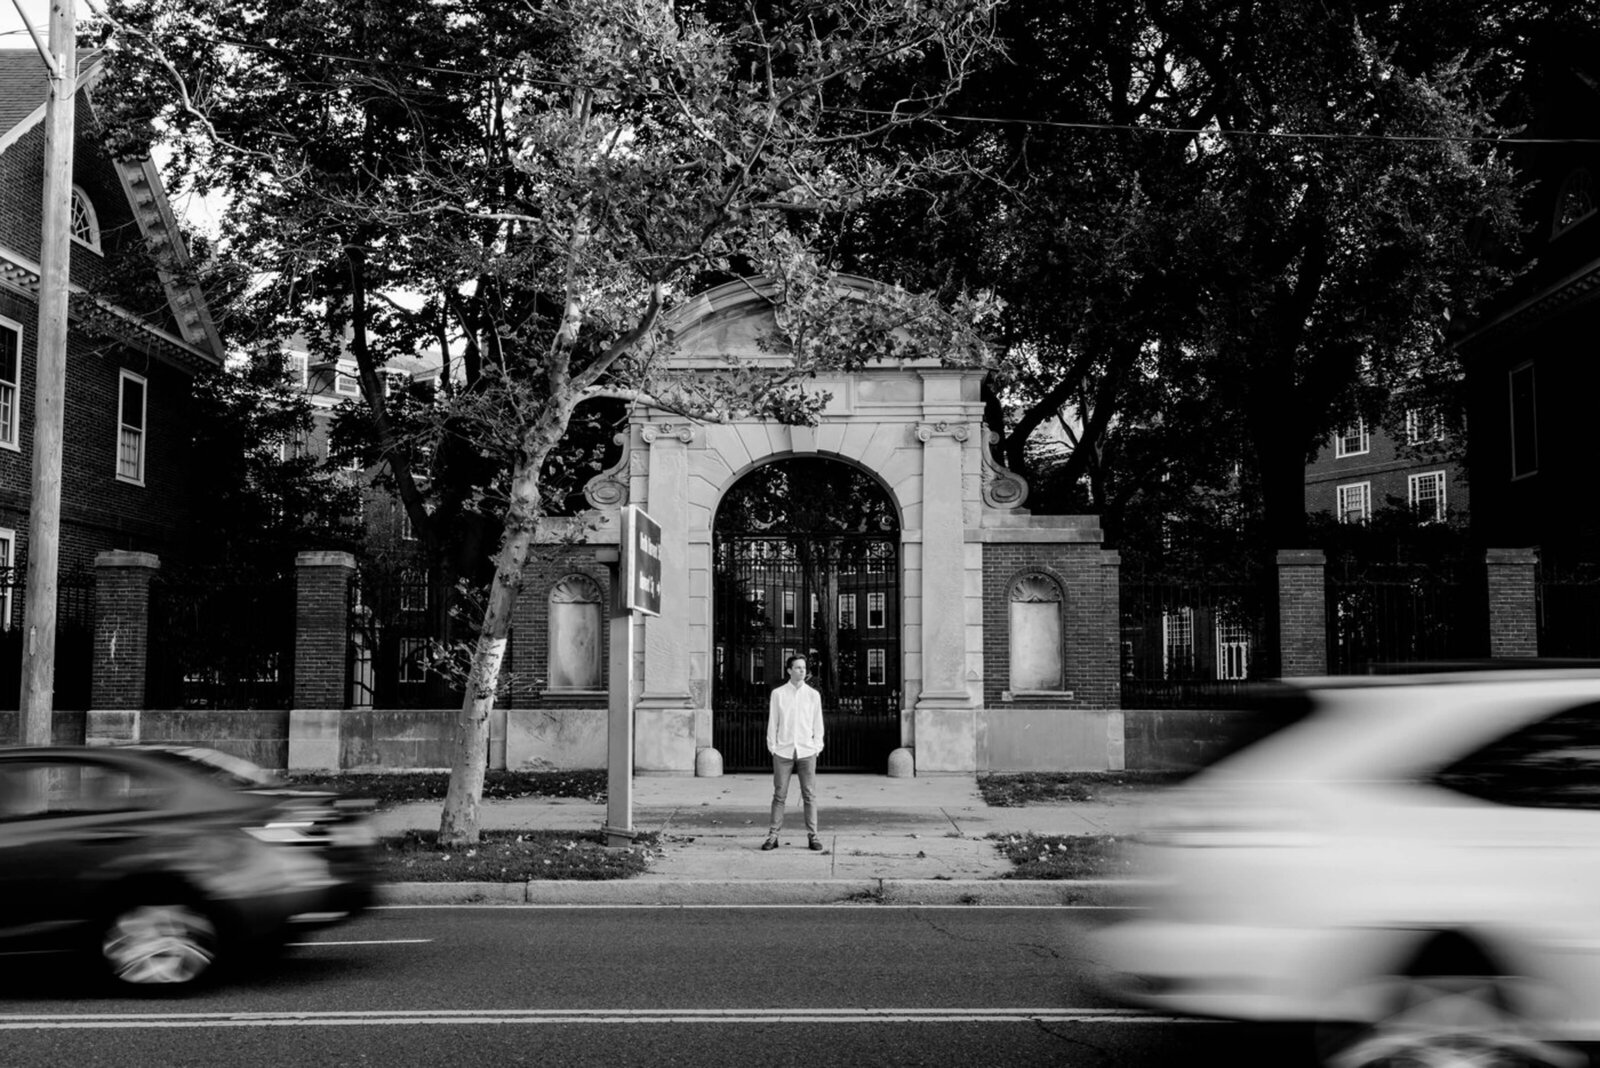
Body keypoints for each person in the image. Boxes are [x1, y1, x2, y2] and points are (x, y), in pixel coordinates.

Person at [763, 654, 824, 852]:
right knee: (779, 795)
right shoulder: (778, 694)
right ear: (789, 670)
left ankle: (813, 835)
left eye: (804, 668)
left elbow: (818, 724)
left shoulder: (813, 695)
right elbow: (773, 722)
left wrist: (816, 746)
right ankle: (773, 835)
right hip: (783, 751)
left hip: (807, 750)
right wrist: (773, 746)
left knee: (809, 794)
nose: (802, 671)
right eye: (797, 667)